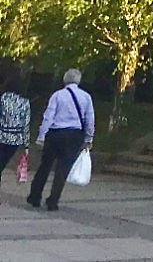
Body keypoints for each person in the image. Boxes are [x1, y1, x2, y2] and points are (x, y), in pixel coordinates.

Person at [27, 69, 94, 213]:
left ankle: (35, 196)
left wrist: (42, 135)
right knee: (62, 169)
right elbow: (89, 119)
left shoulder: (57, 95)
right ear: (79, 80)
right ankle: (53, 201)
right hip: (74, 135)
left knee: (45, 166)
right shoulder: (86, 97)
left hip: (55, 133)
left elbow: (48, 116)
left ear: (65, 80)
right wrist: (89, 138)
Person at [0, 75, 29, 198]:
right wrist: (26, 145)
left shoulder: (2, 99)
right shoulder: (25, 102)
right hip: (15, 139)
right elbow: (26, 124)